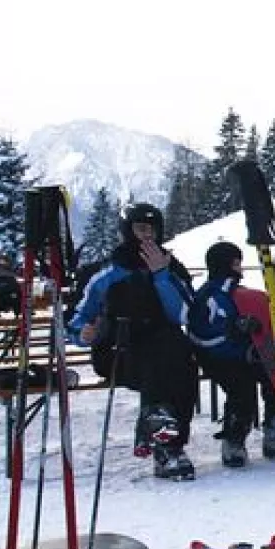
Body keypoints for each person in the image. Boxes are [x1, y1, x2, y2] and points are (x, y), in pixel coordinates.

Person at [68, 203, 200, 481]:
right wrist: (83, 333)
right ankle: (161, 438)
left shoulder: (171, 268)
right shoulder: (107, 271)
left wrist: (161, 276)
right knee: (161, 358)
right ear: (128, 231)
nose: (147, 236)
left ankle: (169, 442)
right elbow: (77, 316)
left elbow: (184, 314)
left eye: (152, 229)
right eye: (140, 229)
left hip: (166, 349)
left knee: (180, 358)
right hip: (118, 351)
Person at [184, 241, 275, 467]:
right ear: (230, 264)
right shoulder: (212, 294)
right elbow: (201, 334)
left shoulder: (236, 293)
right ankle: (234, 439)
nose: (241, 268)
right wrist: (234, 330)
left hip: (240, 354)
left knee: (274, 376)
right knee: (242, 389)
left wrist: (252, 340)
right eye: (238, 263)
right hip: (218, 358)